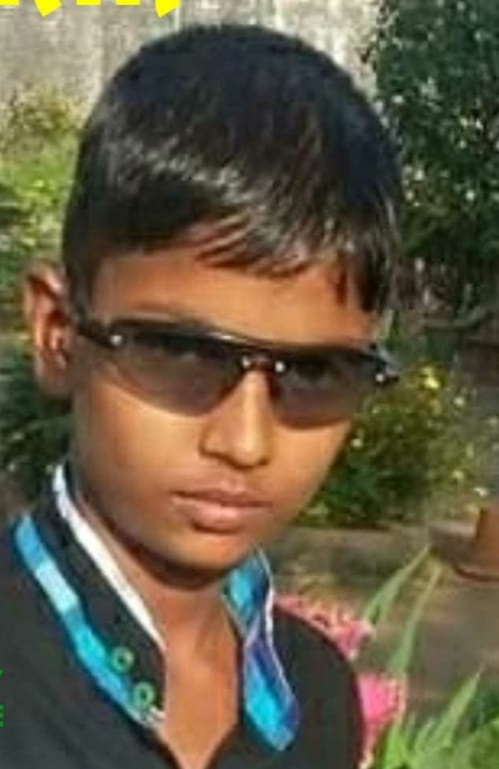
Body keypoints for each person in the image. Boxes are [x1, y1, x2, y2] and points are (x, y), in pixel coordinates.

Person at [0, 24, 401, 769]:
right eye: (181, 353)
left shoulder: (318, 697)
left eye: (315, 373)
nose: (244, 442)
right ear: (58, 334)